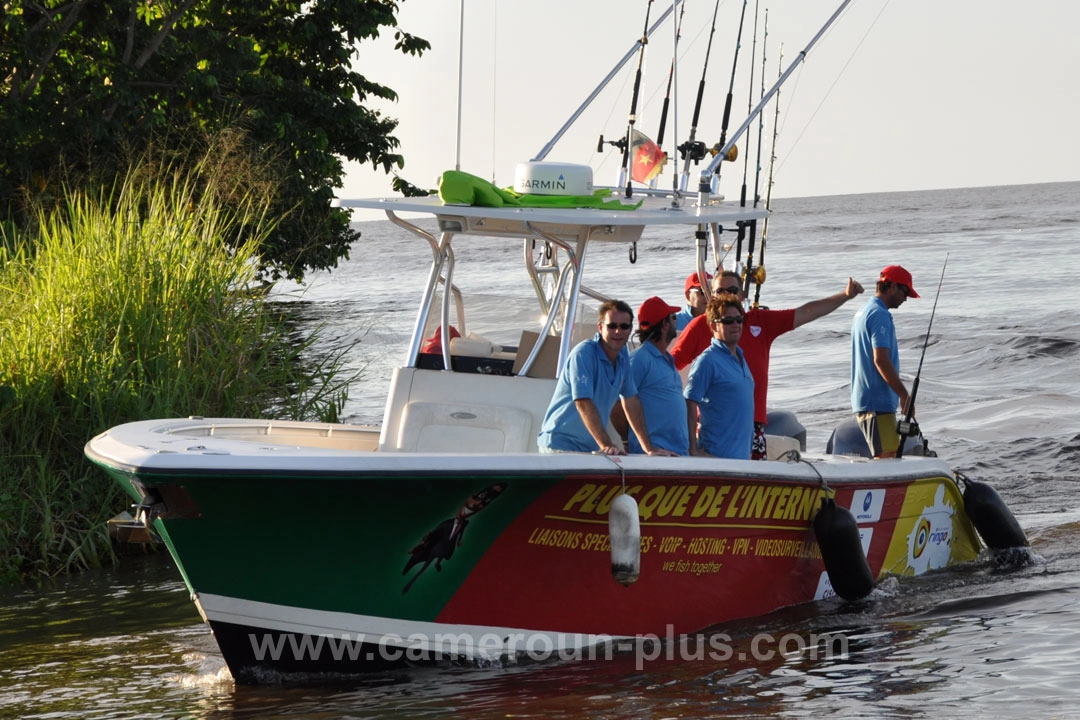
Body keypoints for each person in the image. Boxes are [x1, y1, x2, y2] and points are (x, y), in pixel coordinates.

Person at [671, 270, 864, 459]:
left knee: (753, 480)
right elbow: (670, 367)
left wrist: (845, 296)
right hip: (717, 427)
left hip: (752, 426)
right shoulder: (699, 326)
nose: (726, 295)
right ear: (711, 295)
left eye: (732, 290)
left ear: (743, 293)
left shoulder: (760, 322)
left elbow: (806, 312)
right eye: (719, 291)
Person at [537, 300, 678, 456]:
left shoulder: (623, 355)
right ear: (600, 327)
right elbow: (583, 402)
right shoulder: (583, 354)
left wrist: (649, 448)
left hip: (588, 448)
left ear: (631, 329)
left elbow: (631, 400)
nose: (618, 332)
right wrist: (607, 445)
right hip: (559, 445)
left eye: (624, 326)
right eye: (612, 326)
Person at [851, 264, 919, 459]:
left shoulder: (863, 311)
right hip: (877, 403)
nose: (906, 298)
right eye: (905, 292)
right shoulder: (879, 315)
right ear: (892, 287)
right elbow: (880, 360)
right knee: (887, 459)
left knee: (886, 457)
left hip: (868, 401)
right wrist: (905, 396)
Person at [684, 293, 755, 459]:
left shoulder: (741, 357)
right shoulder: (707, 361)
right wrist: (693, 449)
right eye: (728, 321)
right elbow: (689, 402)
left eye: (739, 319)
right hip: (717, 458)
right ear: (714, 326)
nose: (736, 325)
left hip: (742, 457)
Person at [620, 296, 688, 455]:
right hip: (655, 456)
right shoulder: (639, 360)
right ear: (665, 324)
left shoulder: (668, 359)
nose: (675, 322)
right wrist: (645, 446)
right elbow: (619, 404)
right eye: (673, 317)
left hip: (676, 454)